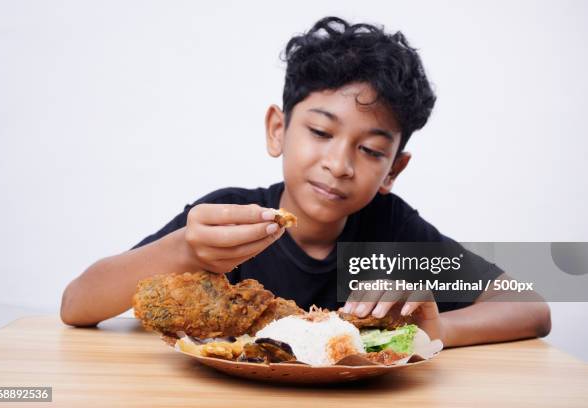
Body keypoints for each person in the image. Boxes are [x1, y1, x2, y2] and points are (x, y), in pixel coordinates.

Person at [60, 16, 550, 347]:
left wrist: (431, 329)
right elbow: (76, 306)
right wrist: (185, 249)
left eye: (371, 150)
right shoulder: (226, 219)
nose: (339, 164)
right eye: (320, 131)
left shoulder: (392, 232)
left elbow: (531, 305)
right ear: (278, 130)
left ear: (393, 171)